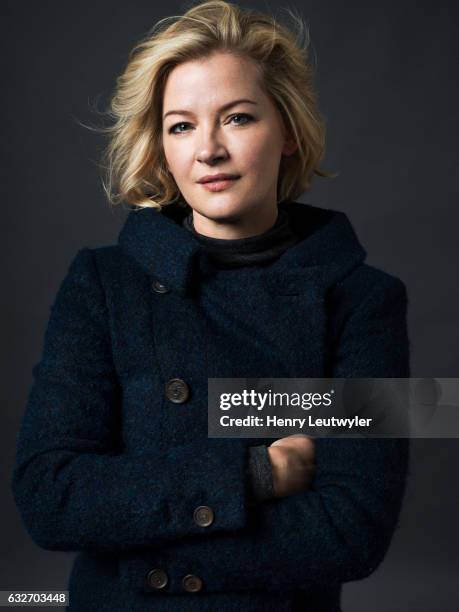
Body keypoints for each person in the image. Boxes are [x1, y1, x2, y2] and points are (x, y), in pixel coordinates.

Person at [10, 1, 410, 611]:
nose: (209, 150)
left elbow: (354, 530)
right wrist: (255, 475)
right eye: (181, 125)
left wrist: (135, 545)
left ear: (290, 133)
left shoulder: (365, 299)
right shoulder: (101, 283)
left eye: (239, 118)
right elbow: (50, 497)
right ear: (162, 148)